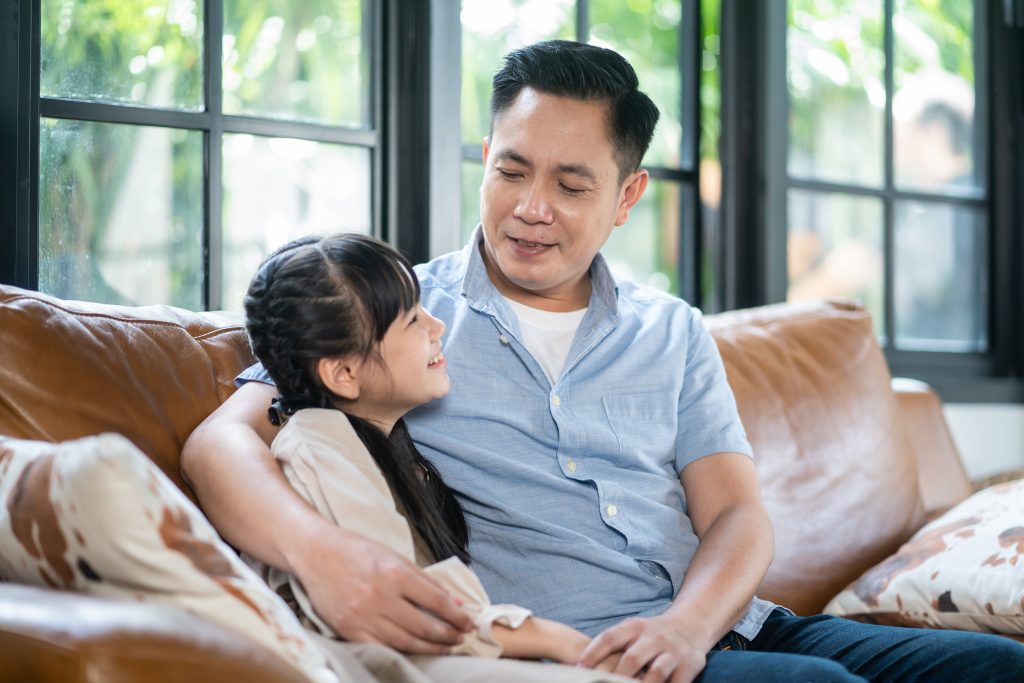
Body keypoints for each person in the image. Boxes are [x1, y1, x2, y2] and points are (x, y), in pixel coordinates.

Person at [183, 40, 1024, 682]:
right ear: (487, 156)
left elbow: (738, 515)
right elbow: (221, 442)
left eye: (572, 185)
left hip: (728, 626)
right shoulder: (396, 320)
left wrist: (688, 626)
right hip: (586, 656)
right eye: (512, 170)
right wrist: (327, 559)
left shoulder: (672, 330)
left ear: (627, 196)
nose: (531, 207)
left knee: (997, 666)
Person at [238, 231, 619, 673]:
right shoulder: (318, 442)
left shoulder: (392, 452)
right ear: (343, 374)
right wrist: (562, 640)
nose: (437, 326)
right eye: (411, 320)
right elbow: (411, 606)